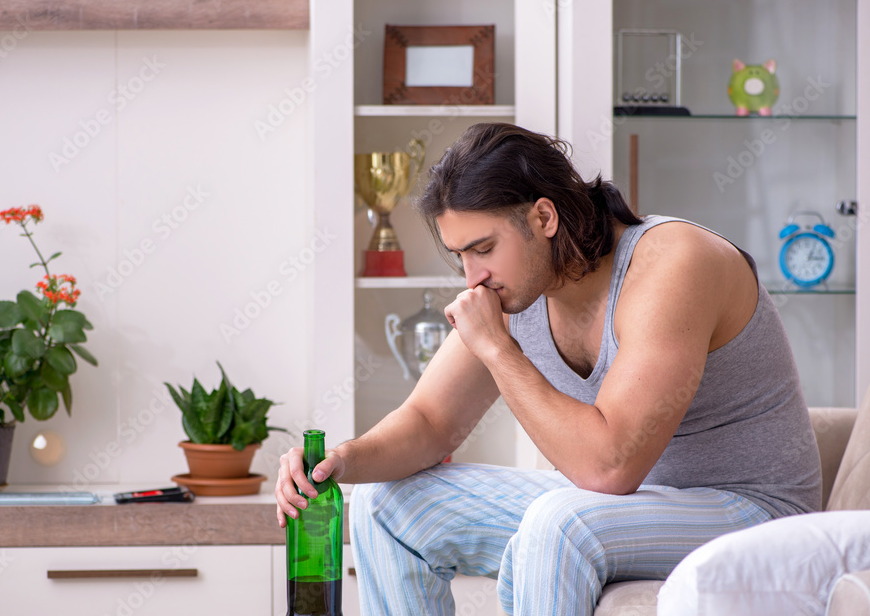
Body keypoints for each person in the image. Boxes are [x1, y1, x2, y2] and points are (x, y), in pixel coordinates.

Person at [274, 122, 821, 615]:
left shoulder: (673, 263)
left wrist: (497, 350)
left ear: (543, 216)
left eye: (483, 248)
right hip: (628, 512)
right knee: (384, 501)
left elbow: (610, 469)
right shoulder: (514, 289)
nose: (472, 278)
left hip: (752, 513)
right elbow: (429, 421)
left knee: (562, 521)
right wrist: (337, 463)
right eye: (460, 255)